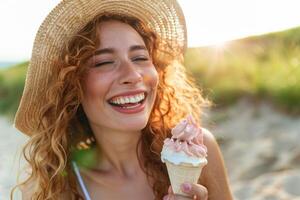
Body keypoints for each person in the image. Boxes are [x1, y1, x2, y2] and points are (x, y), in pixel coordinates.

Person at [12, 0, 233, 199]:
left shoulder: (198, 151)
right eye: (103, 62)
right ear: (72, 86)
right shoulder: (50, 189)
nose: (133, 75)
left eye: (140, 57)